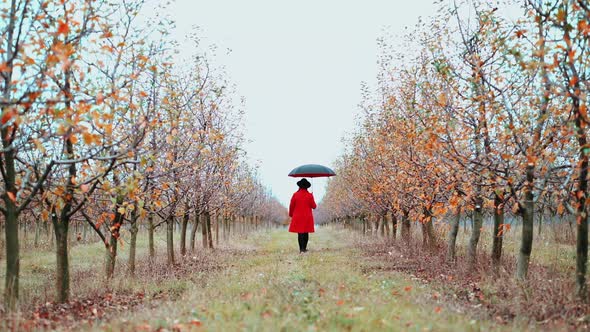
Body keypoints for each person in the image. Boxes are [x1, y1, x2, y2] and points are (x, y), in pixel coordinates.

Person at [288, 178, 316, 253]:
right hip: (307, 217)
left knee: (300, 233)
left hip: (298, 216)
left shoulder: (295, 195)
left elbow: (291, 206)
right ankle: (304, 248)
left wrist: (291, 214)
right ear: (307, 187)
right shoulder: (309, 195)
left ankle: (301, 249)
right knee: (306, 232)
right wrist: (312, 197)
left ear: (299, 186)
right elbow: (314, 206)